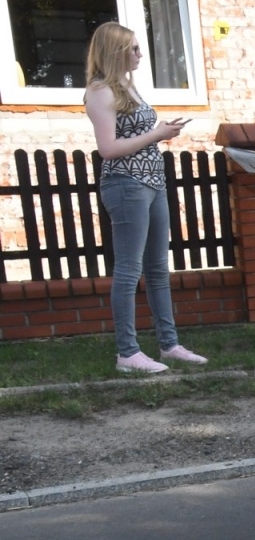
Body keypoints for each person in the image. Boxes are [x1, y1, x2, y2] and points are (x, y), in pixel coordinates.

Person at [83, 22, 207, 375]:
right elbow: (108, 149)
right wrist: (157, 134)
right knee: (128, 270)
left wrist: (159, 132)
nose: (140, 54)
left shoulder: (126, 87)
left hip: (152, 182)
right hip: (126, 184)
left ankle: (169, 344)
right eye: (134, 48)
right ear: (115, 51)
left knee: (156, 269)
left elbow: (136, 134)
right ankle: (127, 352)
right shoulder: (100, 91)